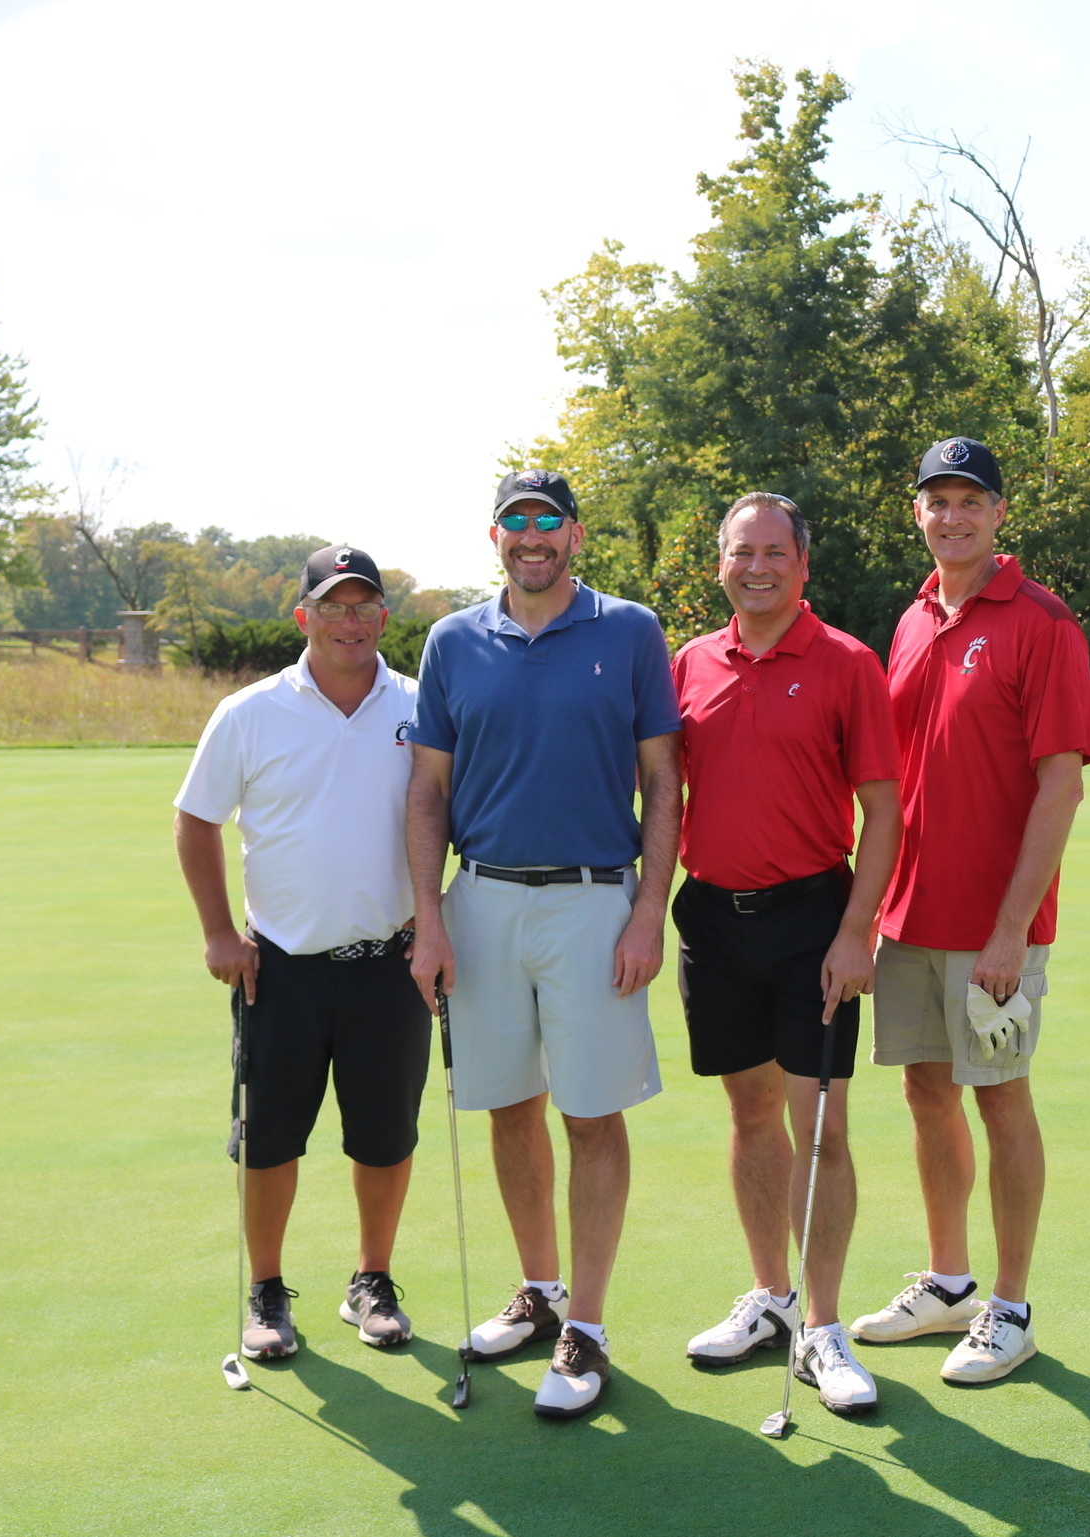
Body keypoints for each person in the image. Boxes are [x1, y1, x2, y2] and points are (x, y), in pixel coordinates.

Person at [405, 468, 683, 1421]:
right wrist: (430, 917)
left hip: (595, 903)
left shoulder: (630, 630)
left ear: (574, 535)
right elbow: (428, 790)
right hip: (481, 899)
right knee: (508, 1106)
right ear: (495, 538)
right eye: (514, 521)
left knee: (591, 1115)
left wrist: (649, 911)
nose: (531, 535)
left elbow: (663, 780)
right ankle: (540, 1290)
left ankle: (587, 1327)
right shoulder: (451, 639)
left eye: (547, 520)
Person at [850, 436, 1090, 1385]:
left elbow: (1060, 785)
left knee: (1001, 1096)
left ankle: (1010, 1305)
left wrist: (1009, 929)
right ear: (917, 511)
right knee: (925, 1092)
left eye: (969, 500)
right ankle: (948, 1281)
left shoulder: (1041, 621)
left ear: (998, 513)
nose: (951, 516)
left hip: (995, 928)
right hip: (909, 914)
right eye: (936, 500)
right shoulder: (912, 617)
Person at [671, 493, 903, 1416]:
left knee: (822, 1128)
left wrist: (856, 930)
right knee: (750, 1111)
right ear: (720, 565)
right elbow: (662, 794)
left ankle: (823, 1325)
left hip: (812, 917)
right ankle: (771, 1297)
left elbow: (882, 810)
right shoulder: (689, 663)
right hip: (713, 920)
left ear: (803, 564)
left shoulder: (846, 662)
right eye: (742, 552)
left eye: (774, 552)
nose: (757, 567)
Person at [173, 546, 427, 1364]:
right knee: (269, 1139)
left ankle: (371, 1279)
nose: (350, 621)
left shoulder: (420, 705)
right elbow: (196, 819)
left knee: (385, 1138)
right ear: (302, 616)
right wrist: (219, 931)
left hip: (391, 964)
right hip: (278, 968)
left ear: (382, 615)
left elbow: (450, 813)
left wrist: (439, 923)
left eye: (364, 605)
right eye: (332, 606)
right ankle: (266, 1289)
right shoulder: (249, 711)